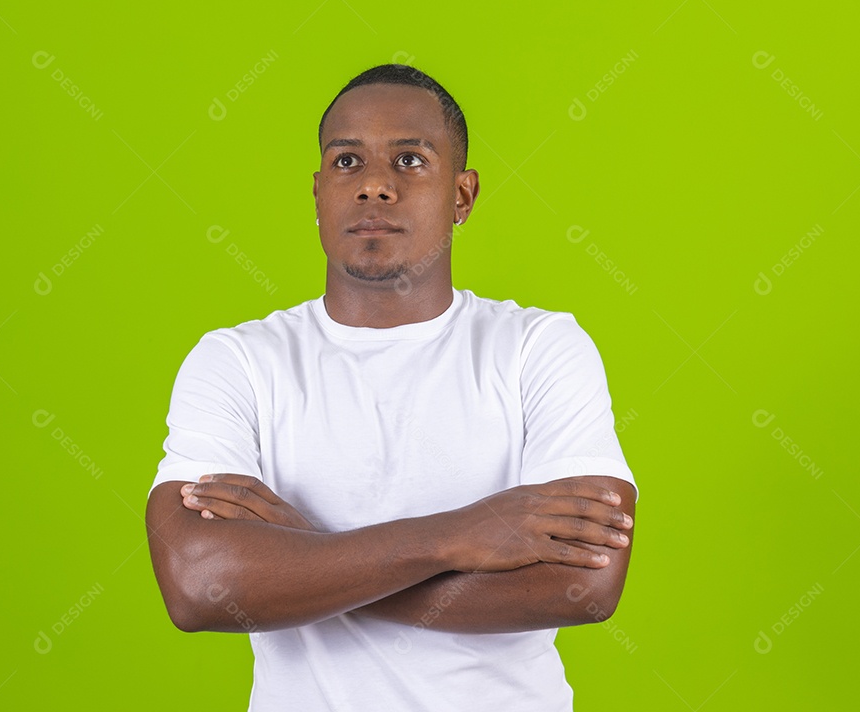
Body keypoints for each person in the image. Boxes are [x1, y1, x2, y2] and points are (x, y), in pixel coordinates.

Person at [145, 63, 638, 712]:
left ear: (462, 195)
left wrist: (308, 554)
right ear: (318, 193)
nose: (375, 184)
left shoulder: (538, 348)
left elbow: (587, 584)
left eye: (409, 159)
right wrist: (456, 536)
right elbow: (198, 586)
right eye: (347, 161)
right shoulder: (238, 361)